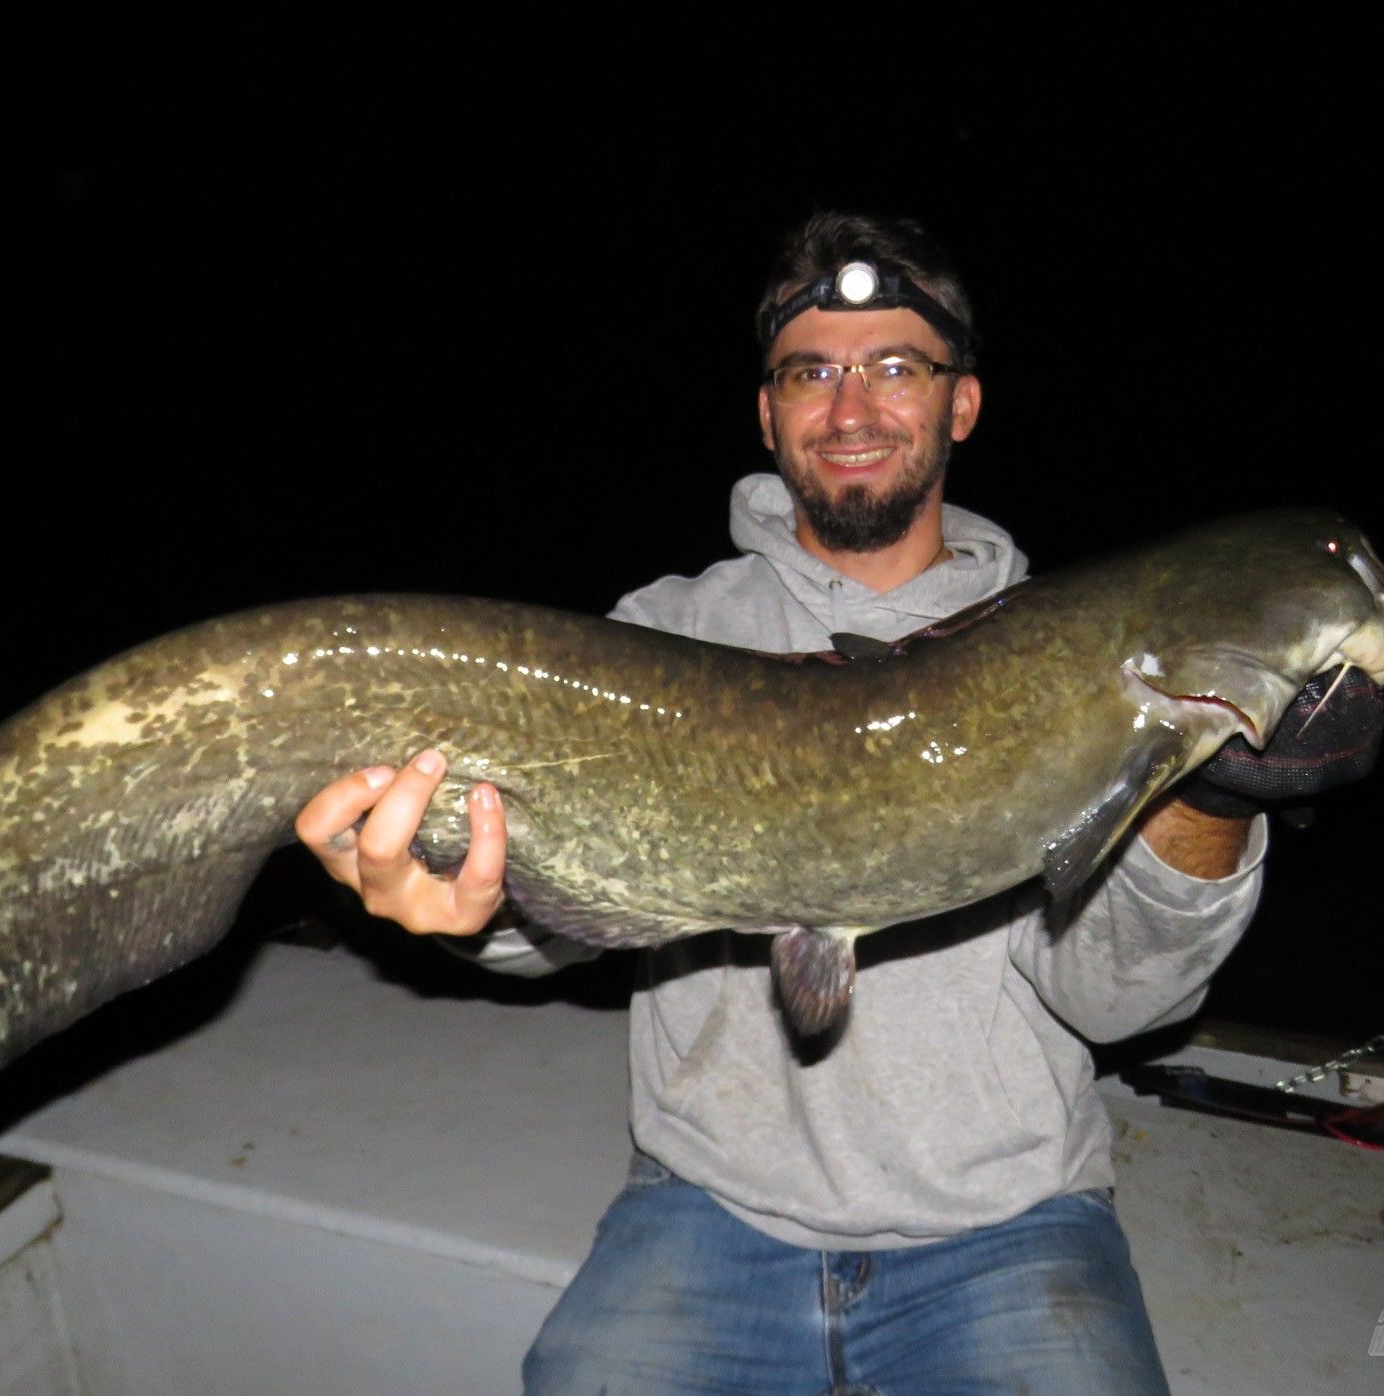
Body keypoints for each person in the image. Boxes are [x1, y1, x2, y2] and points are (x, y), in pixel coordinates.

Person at [294, 213, 1293, 1394]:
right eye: (811, 370)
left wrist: (1218, 792)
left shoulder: (1072, 666)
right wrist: (457, 894)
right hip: (707, 1211)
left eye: (894, 366)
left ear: (961, 402)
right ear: (767, 414)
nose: (851, 406)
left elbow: (1122, 1000)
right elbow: (556, 919)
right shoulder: (661, 641)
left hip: (1010, 1226)